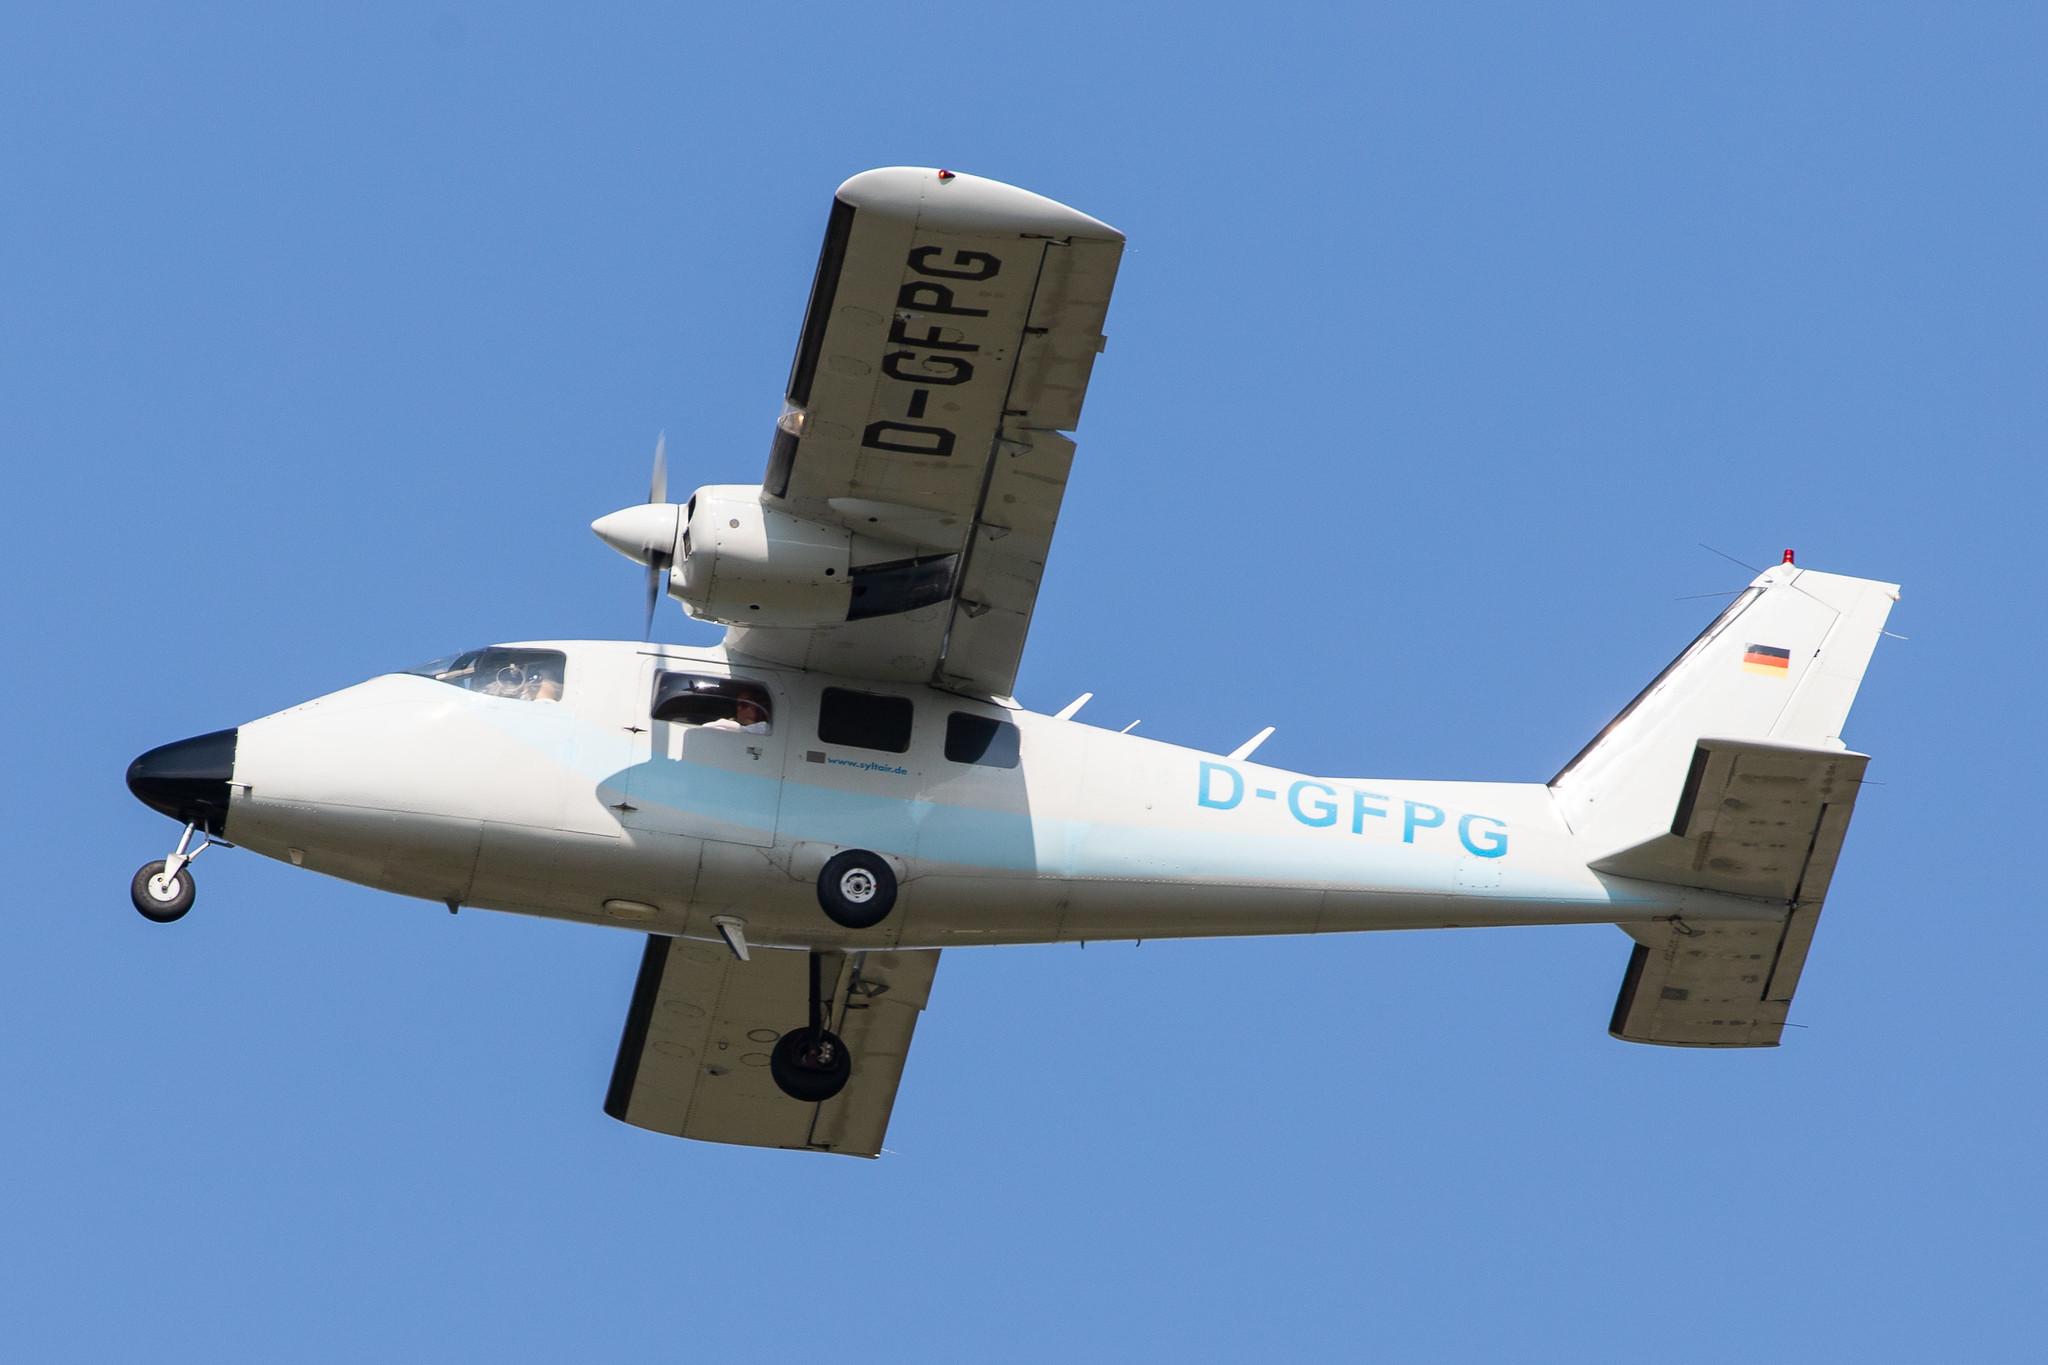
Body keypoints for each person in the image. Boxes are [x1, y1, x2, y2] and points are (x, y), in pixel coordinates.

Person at [704, 695, 771, 734]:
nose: (738, 708)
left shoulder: (766, 728)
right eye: (737, 705)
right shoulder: (726, 724)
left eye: (744, 704)